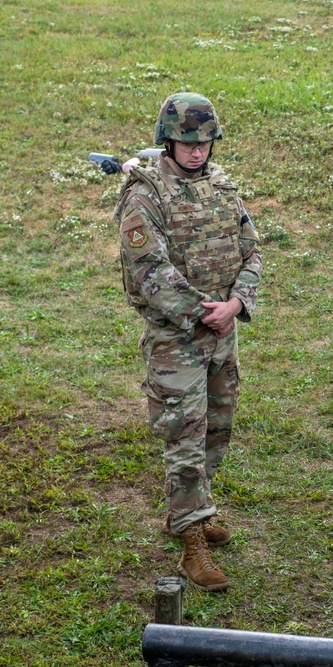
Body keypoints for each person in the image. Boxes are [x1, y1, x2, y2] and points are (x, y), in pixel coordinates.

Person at [114, 93, 262, 592]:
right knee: (184, 436)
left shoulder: (222, 187)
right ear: (167, 140)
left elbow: (252, 251)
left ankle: (194, 511)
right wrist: (209, 313)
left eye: (204, 143)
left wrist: (236, 306)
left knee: (217, 429)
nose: (196, 152)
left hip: (223, 333)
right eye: (186, 143)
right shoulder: (145, 195)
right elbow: (151, 273)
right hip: (176, 340)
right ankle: (191, 542)